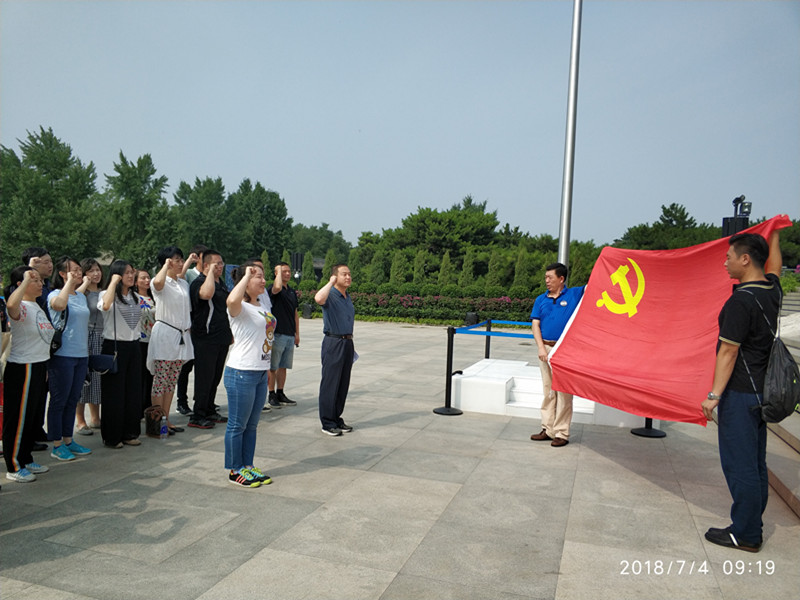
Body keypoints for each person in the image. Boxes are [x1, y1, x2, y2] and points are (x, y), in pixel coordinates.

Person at [701, 232, 782, 553]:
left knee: (740, 465)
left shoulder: (741, 301)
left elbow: (728, 352)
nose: (725, 263)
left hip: (740, 393)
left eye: (729, 257)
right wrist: (776, 233)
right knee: (756, 462)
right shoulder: (771, 290)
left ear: (745, 259)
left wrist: (714, 396)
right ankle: (752, 524)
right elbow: (774, 268)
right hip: (762, 391)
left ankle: (746, 533)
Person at [223, 262, 276, 487]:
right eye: (258, 277)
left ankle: (247, 465)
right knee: (237, 424)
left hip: (259, 372)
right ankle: (235, 470)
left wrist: (267, 369)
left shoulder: (260, 305)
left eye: (263, 277)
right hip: (241, 372)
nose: (263, 281)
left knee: (252, 425)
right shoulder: (240, 307)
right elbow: (231, 301)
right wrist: (245, 276)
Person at [3, 267, 54, 482]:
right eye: (35, 280)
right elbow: (11, 306)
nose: (40, 284)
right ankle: (14, 465)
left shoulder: (36, 306)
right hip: (23, 367)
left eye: (41, 280)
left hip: (39, 365)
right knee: (18, 418)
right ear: (20, 284)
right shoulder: (20, 305)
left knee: (31, 417)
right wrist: (25, 279)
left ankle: (25, 457)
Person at [529, 262, 584, 447]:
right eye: (545, 277)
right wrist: (540, 347)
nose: (546, 280)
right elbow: (535, 324)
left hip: (565, 351)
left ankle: (561, 432)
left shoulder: (574, 294)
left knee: (564, 392)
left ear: (561, 279)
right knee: (548, 390)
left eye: (550, 277)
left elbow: (595, 284)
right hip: (546, 348)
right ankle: (548, 429)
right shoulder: (541, 299)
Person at [46, 257, 92, 461]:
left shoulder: (80, 296)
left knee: (73, 399)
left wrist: (81, 283)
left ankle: (68, 439)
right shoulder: (55, 294)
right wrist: (69, 283)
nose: (78, 273)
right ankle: (56, 444)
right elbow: (59, 305)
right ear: (62, 274)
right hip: (62, 355)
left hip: (81, 354)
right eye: (73, 270)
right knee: (59, 400)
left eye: (79, 269)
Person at [147, 247, 196, 433]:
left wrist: (187, 262)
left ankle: (166, 419)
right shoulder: (159, 281)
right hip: (165, 335)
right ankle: (156, 422)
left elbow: (180, 277)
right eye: (176, 260)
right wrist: (166, 266)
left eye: (181, 259)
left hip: (181, 335)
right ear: (166, 262)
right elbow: (158, 284)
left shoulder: (182, 283)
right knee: (160, 380)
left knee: (171, 380)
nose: (180, 263)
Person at [98, 260, 143, 449]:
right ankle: (112, 436)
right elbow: (105, 306)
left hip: (134, 346)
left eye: (132, 272)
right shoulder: (106, 294)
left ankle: (130, 432)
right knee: (114, 393)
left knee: (133, 391)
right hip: (115, 346)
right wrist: (113, 283)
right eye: (126, 273)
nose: (131, 276)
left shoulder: (134, 296)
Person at [188, 250, 231, 429]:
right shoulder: (199, 282)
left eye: (222, 263)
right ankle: (198, 414)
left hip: (221, 336)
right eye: (217, 264)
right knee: (204, 377)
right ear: (206, 265)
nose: (221, 267)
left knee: (215, 376)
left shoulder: (221, 283)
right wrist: (211, 274)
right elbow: (206, 295)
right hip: (205, 337)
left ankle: (209, 409)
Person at [314, 264, 355, 436]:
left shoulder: (346, 296)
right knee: (330, 383)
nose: (348, 277)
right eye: (344, 274)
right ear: (335, 276)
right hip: (334, 342)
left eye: (349, 274)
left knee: (342, 383)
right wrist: (330, 282)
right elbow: (318, 298)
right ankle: (327, 422)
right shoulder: (330, 294)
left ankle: (337, 418)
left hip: (347, 342)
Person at [175, 244, 208, 415]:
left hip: (203, 327)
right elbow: (178, 278)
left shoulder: (209, 276)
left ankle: (203, 401)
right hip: (188, 325)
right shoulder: (189, 273)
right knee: (185, 367)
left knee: (203, 367)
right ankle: (181, 401)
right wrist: (189, 260)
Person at [75, 258, 104, 435]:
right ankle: (80, 419)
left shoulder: (104, 291)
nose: (96, 273)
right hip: (86, 336)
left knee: (97, 380)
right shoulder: (81, 294)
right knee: (84, 380)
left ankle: (95, 417)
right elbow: (73, 303)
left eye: (98, 270)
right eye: (91, 270)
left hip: (102, 336)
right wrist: (83, 284)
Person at [267, 262, 300, 409]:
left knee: (283, 366)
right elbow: (277, 288)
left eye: (288, 271)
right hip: (277, 333)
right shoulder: (273, 289)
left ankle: (280, 392)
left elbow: (295, 313)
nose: (287, 273)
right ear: (276, 274)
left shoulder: (291, 292)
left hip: (289, 333)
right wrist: (278, 273)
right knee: (273, 366)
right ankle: (271, 393)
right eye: (283, 271)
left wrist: (297, 333)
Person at [135, 268, 156, 414]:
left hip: (153, 340)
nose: (147, 280)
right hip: (140, 341)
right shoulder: (133, 297)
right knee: (140, 375)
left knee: (151, 375)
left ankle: (148, 406)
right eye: (143, 278)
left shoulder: (154, 297)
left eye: (148, 277)